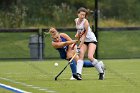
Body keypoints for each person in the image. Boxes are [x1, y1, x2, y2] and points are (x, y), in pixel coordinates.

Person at [74, 7, 105, 80]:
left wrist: (78, 47)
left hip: (91, 40)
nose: (82, 16)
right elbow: (79, 31)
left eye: (84, 15)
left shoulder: (86, 22)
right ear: (78, 14)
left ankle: (101, 72)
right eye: (81, 15)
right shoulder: (76, 20)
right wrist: (77, 35)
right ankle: (78, 74)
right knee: (80, 56)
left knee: (90, 57)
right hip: (84, 41)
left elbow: (84, 35)